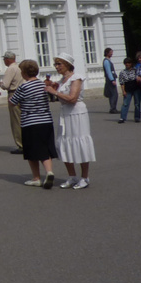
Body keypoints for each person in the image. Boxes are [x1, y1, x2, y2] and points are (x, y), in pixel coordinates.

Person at [45, 53, 96, 189]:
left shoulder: (76, 78)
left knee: (79, 142)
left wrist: (54, 92)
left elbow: (72, 98)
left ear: (67, 64)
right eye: (55, 64)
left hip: (77, 113)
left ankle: (85, 177)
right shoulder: (63, 80)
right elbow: (63, 96)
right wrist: (55, 88)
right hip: (65, 113)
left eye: (59, 64)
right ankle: (72, 176)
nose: (56, 67)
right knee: (64, 142)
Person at [10, 59, 58, 188]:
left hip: (30, 122)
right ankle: (49, 172)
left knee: (32, 151)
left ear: (24, 73)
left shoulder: (23, 87)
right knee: (45, 148)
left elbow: (13, 102)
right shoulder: (43, 85)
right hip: (46, 121)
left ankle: (36, 177)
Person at [0, 51, 23, 154]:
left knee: (16, 120)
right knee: (23, 119)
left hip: (13, 93)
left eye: (4, 59)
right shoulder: (20, 67)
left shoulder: (11, 69)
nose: (4, 61)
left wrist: (1, 84)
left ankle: (21, 144)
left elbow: (6, 84)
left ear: (8, 59)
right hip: (23, 93)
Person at [117, 58, 141, 124]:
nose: (127, 64)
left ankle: (137, 117)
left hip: (136, 88)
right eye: (126, 63)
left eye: (128, 63)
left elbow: (139, 77)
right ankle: (122, 117)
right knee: (125, 104)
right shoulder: (122, 72)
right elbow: (121, 82)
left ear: (131, 64)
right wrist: (123, 91)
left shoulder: (135, 70)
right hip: (127, 89)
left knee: (137, 103)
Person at [103, 48, 119, 114]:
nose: (112, 53)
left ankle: (113, 108)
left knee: (112, 94)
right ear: (107, 53)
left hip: (110, 79)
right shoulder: (106, 61)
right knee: (114, 94)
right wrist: (112, 79)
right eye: (111, 52)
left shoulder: (108, 60)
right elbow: (108, 71)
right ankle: (113, 108)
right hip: (110, 79)